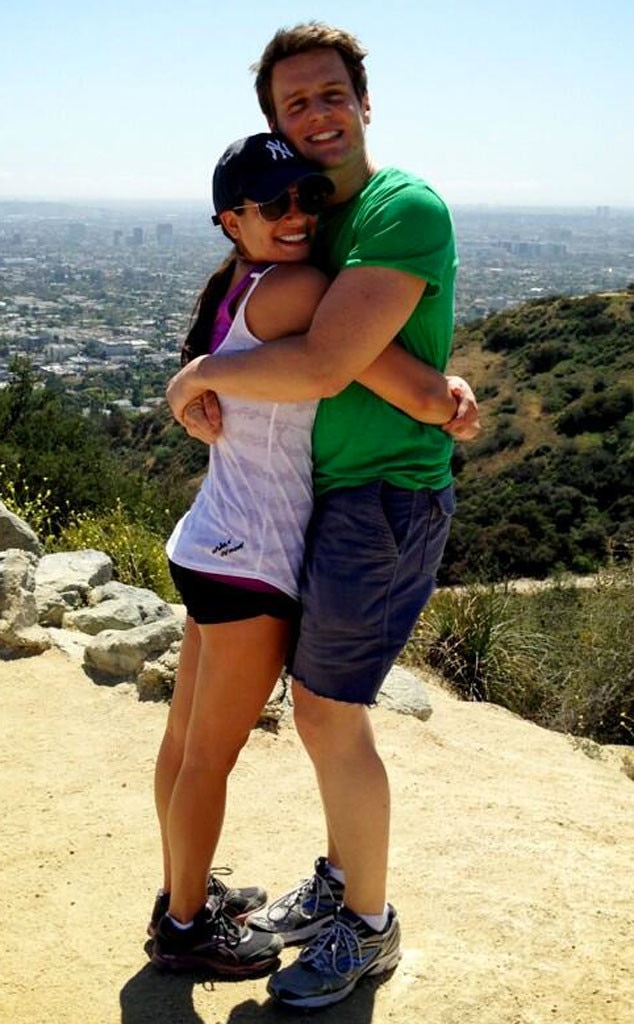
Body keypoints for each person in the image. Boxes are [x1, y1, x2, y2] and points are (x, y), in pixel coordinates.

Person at [152, 129, 471, 979]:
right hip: (251, 556)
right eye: (274, 204)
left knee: (185, 742)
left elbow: (249, 367)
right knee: (209, 755)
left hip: (208, 539)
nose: (297, 215)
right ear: (232, 219)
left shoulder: (232, 289)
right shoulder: (297, 287)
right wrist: (444, 401)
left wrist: (199, 377)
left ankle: (180, 895)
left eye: (307, 199)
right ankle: (187, 927)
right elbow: (361, 369)